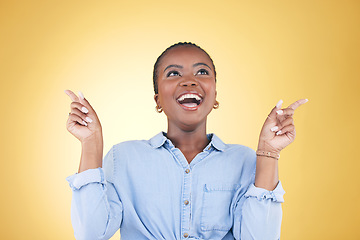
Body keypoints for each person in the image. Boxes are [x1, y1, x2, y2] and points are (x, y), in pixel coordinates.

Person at [65, 42, 308, 240]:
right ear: (157, 99)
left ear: (214, 96)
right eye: (173, 73)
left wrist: (268, 153)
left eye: (202, 72)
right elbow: (90, 234)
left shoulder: (244, 160)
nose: (189, 80)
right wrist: (91, 144)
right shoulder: (123, 158)